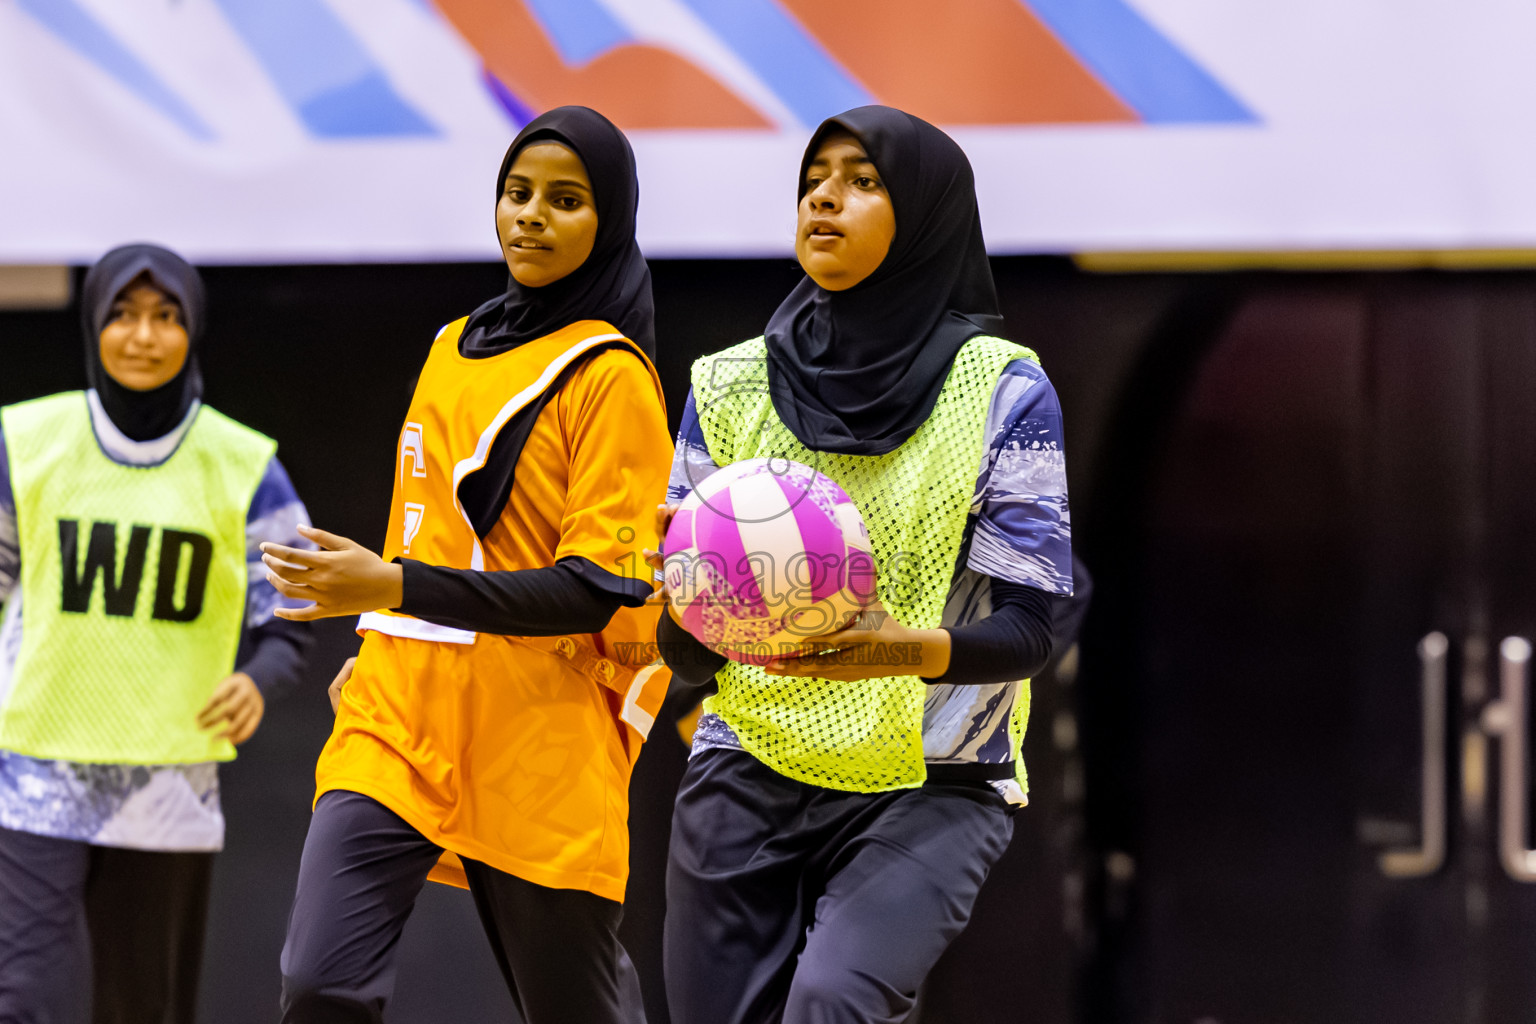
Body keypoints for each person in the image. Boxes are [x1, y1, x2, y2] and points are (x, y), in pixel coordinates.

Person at [654, 105, 1074, 1024]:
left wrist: (899, 650)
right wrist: (687, 596)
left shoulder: (1004, 388)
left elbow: (1033, 627)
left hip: (935, 780)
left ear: (925, 214)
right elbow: (687, 655)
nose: (824, 199)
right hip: (750, 761)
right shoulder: (724, 384)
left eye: (861, 180)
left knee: (833, 1002)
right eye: (813, 179)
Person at [262, 106, 672, 1024]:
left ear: (608, 221)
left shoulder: (614, 379)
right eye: (517, 193)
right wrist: (377, 635)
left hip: (538, 733)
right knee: (320, 983)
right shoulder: (451, 345)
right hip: (399, 714)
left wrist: (390, 586)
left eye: (565, 200)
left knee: (578, 1007)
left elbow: (594, 590)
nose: (531, 215)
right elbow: (422, 531)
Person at [0, 244, 315, 1024]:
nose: (143, 336)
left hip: (165, 783)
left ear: (193, 330)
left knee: (143, 1009)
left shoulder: (243, 465)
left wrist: (261, 677)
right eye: (124, 315)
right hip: (33, 773)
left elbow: (293, 610)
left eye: (166, 317)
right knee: (21, 1000)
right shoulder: (27, 442)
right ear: (94, 324)